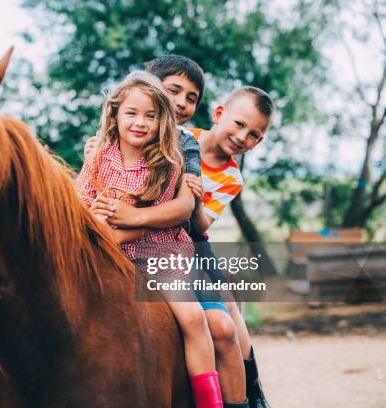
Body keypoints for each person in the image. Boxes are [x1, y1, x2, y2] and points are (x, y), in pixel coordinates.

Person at [88, 57, 271, 408]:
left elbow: (191, 219)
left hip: (184, 242)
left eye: (191, 98)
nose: (182, 103)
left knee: (226, 321)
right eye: (173, 93)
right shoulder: (163, 136)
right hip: (140, 232)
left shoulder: (190, 151)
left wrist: (144, 214)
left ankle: (251, 393)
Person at [77, 70, 223, 408]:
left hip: (157, 252)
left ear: (163, 121)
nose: (140, 122)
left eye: (151, 116)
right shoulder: (98, 155)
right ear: (114, 114)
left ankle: (209, 401)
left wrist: (111, 236)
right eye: (132, 113)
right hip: (105, 247)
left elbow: (153, 222)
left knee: (192, 318)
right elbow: (80, 200)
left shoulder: (168, 162)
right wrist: (93, 213)